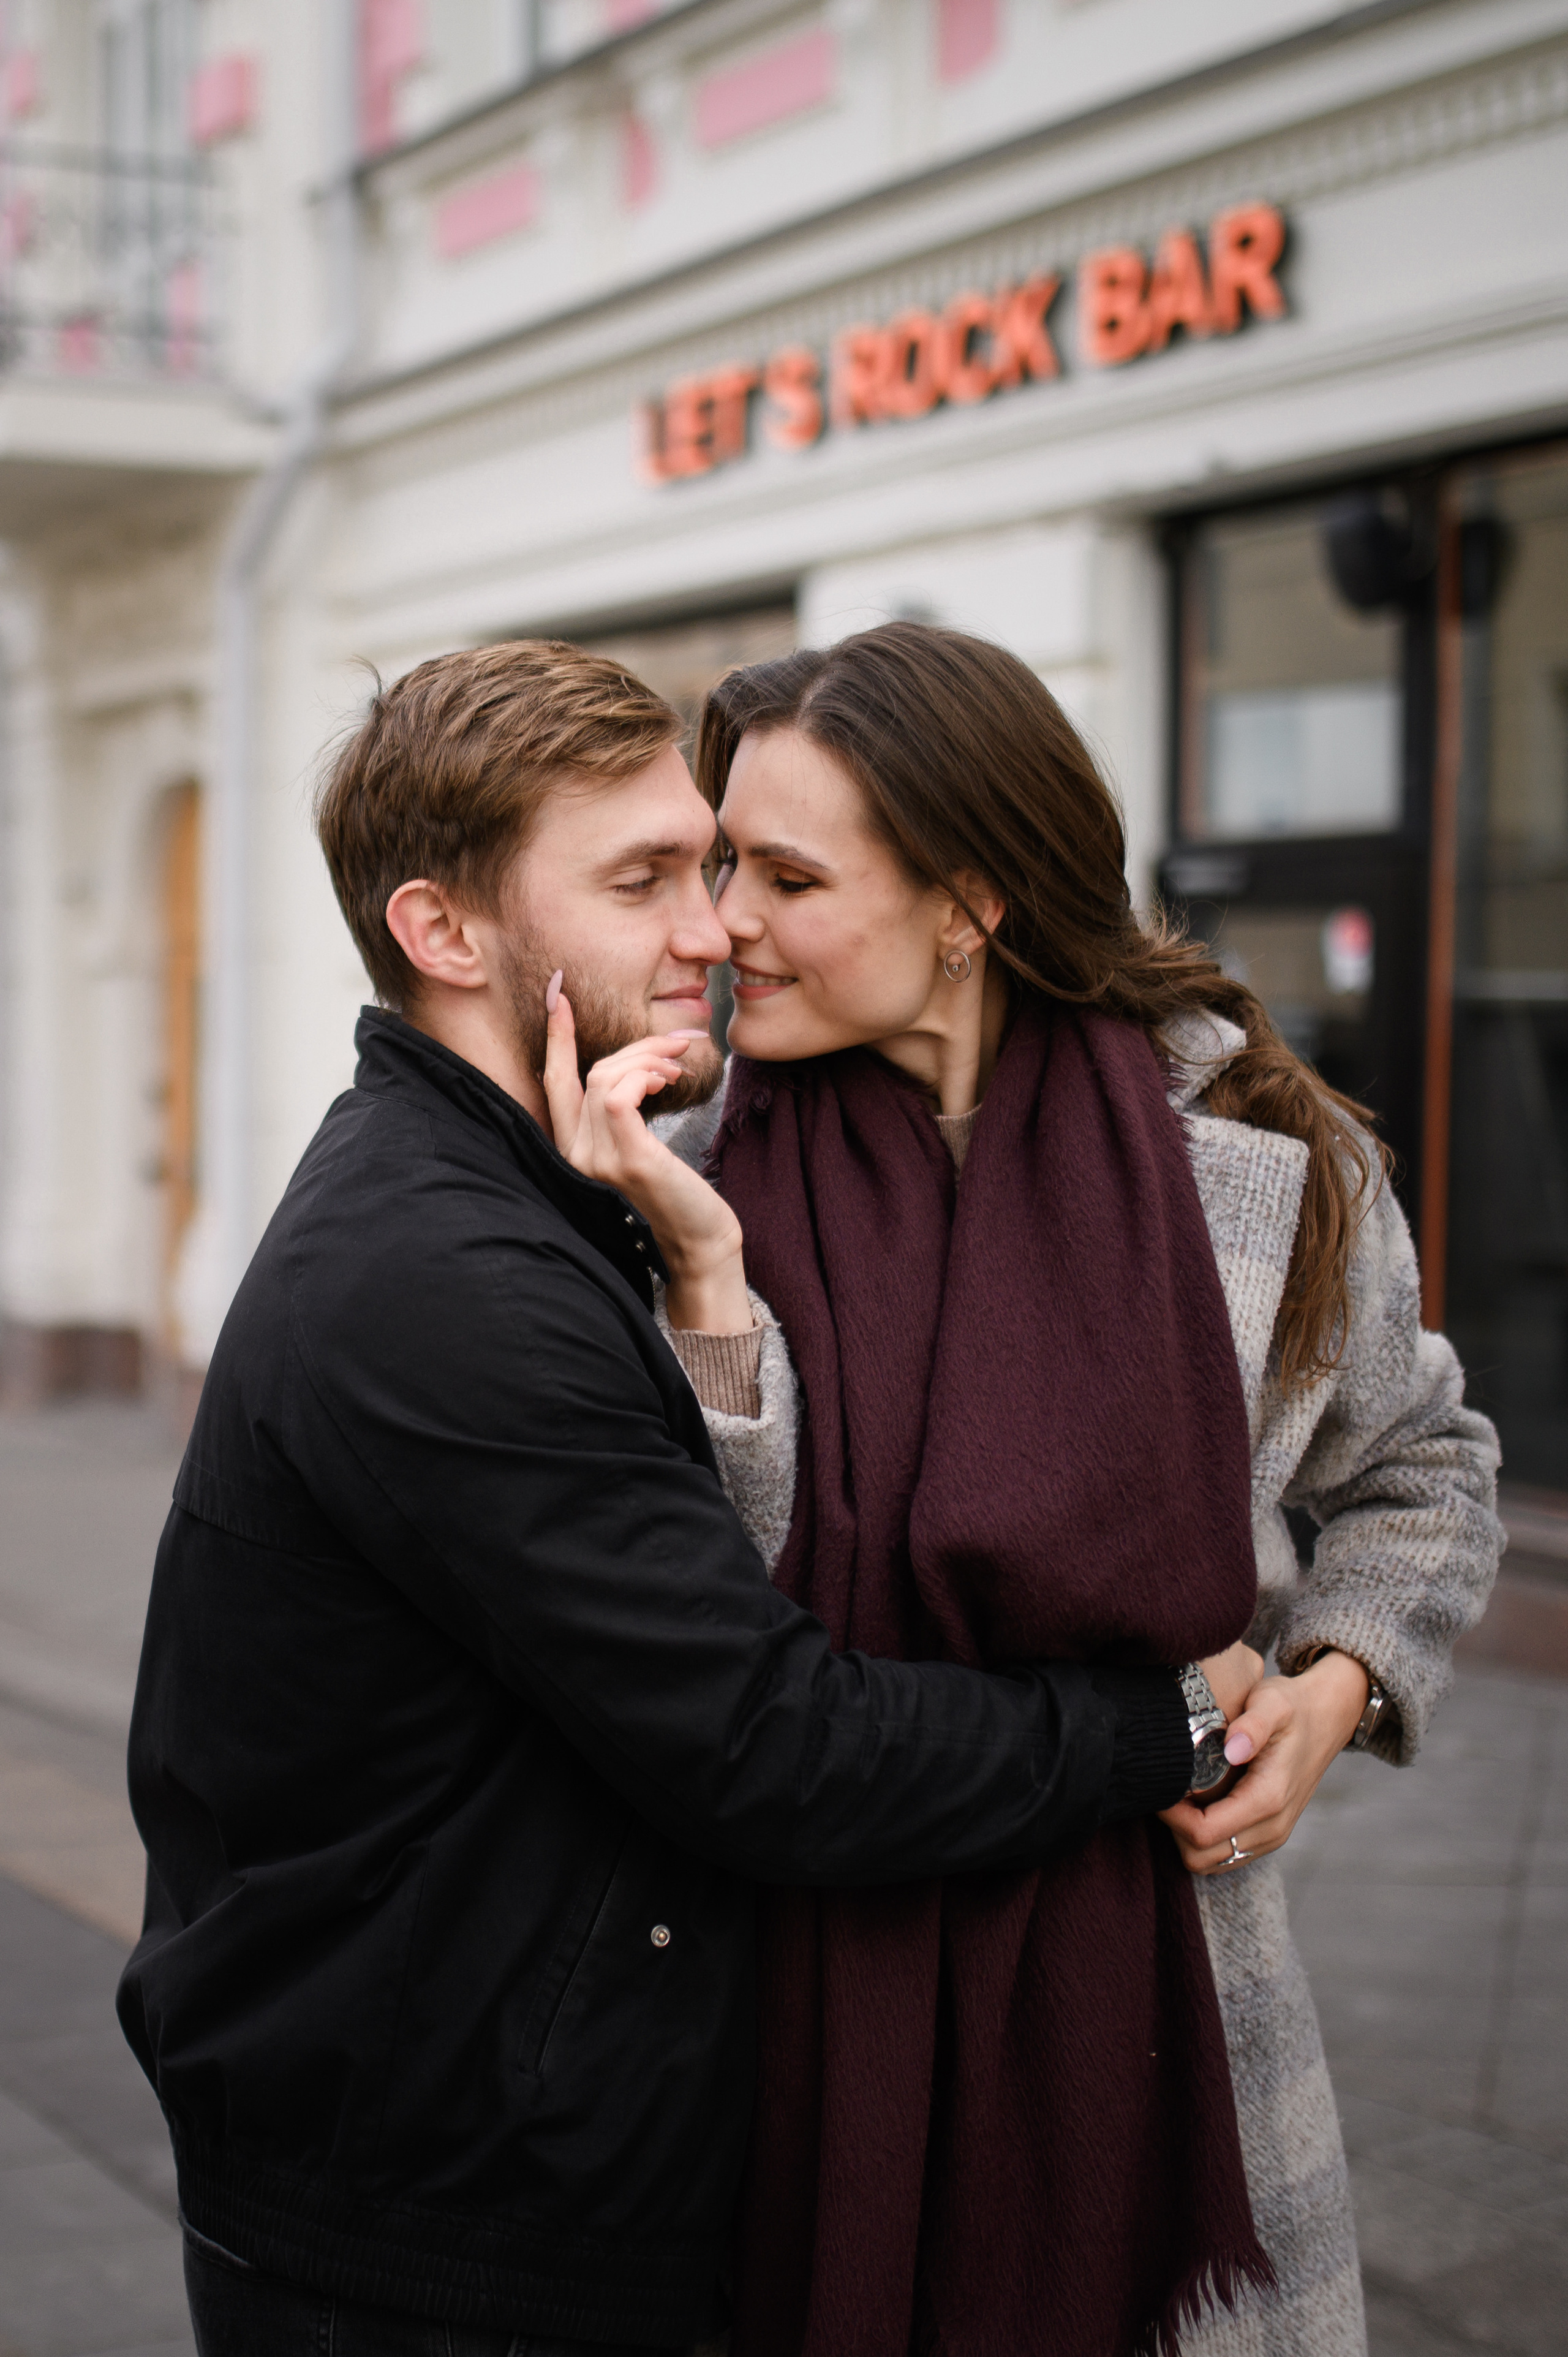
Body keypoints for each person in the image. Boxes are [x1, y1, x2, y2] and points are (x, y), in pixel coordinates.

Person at [116, 641, 1249, 2357]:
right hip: (436, 2240)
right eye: (644, 879)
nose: (713, 930)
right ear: (445, 934)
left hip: (466, 2160)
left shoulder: (540, 1200)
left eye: (712, 866)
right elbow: (769, 1747)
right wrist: (1152, 1734)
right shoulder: (448, 1279)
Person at [567, 622, 1502, 2357]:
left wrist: (1336, 1683)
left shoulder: (1265, 1168)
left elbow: (1421, 1467)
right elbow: (707, 1617)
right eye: (716, 866)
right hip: (784, 2000)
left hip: (1168, 1991)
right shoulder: (676, 1180)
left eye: (784, 874)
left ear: (969, 902)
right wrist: (705, 1287)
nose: (723, 925)